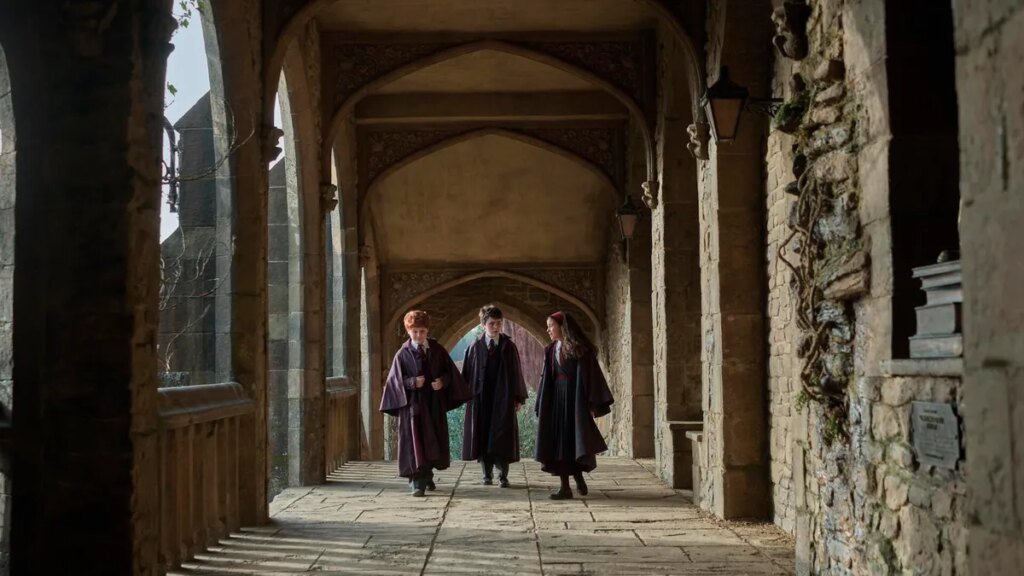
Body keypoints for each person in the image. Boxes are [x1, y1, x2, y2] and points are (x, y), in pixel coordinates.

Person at [380, 310, 471, 497]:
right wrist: (413, 382)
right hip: (413, 407)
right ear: (408, 331)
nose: (419, 335)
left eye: (422, 331)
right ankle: (416, 482)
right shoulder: (402, 354)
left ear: (427, 330)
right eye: (415, 332)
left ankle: (427, 474)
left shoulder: (437, 350)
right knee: (415, 443)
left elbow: (449, 373)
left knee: (432, 441)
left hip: (433, 405)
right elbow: (395, 381)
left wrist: (442, 382)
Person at [534, 311, 613, 499]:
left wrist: (591, 402)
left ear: (562, 327)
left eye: (551, 325)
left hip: (574, 400)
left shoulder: (579, 349)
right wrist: (542, 403)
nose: (548, 330)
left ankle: (577, 476)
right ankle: (565, 487)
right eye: (548, 326)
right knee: (559, 443)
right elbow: (547, 378)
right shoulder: (551, 349)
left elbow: (589, 376)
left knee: (573, 440)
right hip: (556, 401)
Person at [461, 305, 529, 487]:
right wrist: (467, 398)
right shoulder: (474, 349)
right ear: (483, 325)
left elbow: (516, 374)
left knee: (502, 436)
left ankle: (503, 475)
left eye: (499, 323)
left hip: (503, 398)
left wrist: (517, 398)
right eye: (492, 324)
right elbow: (466, 376)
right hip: (481, 400)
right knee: (483, 435)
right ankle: (487, 474)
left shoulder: (509, 347)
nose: (496, 327)